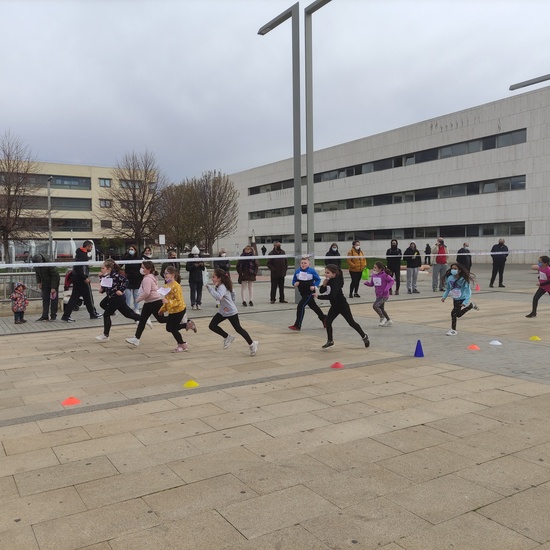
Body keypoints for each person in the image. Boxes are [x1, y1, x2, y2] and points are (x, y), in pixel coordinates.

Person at [205, 268, 258, 356]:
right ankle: (227, 337)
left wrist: (210, 289)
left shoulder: (222, 287)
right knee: (212, 325)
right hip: (223, 311)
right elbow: (232, 294)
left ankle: (252, 344)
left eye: (214, 277)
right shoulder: (221, 285)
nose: (212, 279)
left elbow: (218, 296)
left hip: (231, 312)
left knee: (238, 329)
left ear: (219, 278)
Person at [318, 264, 370, 349]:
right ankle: (330, 341)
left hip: (342, 306)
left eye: (328, 273)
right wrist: (324, 284)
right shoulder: (329, 281)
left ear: (333, 274)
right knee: (328, 321)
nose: (326, 274)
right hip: (335, 306)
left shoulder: (335, 283)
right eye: (325, 272)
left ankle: (364, 336)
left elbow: (332, 296)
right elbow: (322, 290)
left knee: (351, 322)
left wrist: (318, 297)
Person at [95, 259, 141, 342]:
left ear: (108, 269)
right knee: (127, 314)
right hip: (111, 297)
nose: (101, 270)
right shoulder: (105, 277)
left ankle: (106, 335)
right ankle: (141, 319)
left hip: (117, 298)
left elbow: (126, 281)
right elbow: (105, 288)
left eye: (102, 268)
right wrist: (102, 288)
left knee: (106, 314)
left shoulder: (115, 275)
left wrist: (121, 289)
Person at [62, 240, 102, 322]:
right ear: (87, 246)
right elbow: (79, 268)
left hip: (77, 279)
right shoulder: (82, 255)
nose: (91, 249)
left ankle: (66, 315)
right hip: (81, 280)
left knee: (75, 298)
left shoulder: (80, 254)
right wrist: (84, 278)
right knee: (88, 297)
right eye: (90, 247)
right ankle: (92, 313)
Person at [158, 266, 192, 352]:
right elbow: (165, 299)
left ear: (173, 275)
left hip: (179, 310)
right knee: (169, 328)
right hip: (172, 311)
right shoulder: (166, 286)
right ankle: (187, 324)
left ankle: (182, 344)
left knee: (173, 329)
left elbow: (179, 301)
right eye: (164, 273)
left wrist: (168, 302)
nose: (165, 275)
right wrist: (162, 309)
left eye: (166, 273)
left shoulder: (177, 286)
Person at [289, 256, 327, 331]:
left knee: (301, 306)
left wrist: (314, 286)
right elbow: (294, 280)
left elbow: (318, 279)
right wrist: (295, 283)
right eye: (302, 263)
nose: (303, 264)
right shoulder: (297, 271)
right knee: (313, 306)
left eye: (305, 263)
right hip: (302, 292)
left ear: (309, 264)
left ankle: (297, 325)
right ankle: (324, 318)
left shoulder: (311, 271)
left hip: (309, 292)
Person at [441, 262, 479, 335]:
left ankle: (453, 330)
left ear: (459, 270)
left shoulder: (464, 280)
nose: (453, 270)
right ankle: (471, 306)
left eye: (455, 269)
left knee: (453, 313)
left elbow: (468, 292)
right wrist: (444, 297)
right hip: (455, 298)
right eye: (452, 268)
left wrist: (465, 302)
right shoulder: (449, 278)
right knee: (458, 314)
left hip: (462, 298)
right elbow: (448, 289)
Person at [364, 260, 395, 326]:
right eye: (373, 267)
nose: (374, 269)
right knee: (381, 309)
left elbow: (392, 281)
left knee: (375, 306)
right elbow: (372, 284)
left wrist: (387, 288)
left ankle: (382, 318)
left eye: (375, 267)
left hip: (384, 295)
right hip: (378, 295)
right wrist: (367, 284)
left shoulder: (384, 275)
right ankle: (389, 320)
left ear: (380, 269)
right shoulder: (373, 275)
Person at [33, 253, 60, 321]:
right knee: (45, 299)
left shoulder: (49, 264)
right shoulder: (36, 264)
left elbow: (55, 276)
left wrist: (53, 287)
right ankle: (45, 316)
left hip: (53, 283)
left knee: (54, 300)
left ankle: (53, 316)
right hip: (45, 284)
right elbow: (37, 273)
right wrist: (39, 282)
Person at [120, 244, 143, 313]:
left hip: (136, 279)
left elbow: (142, 267)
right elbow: (119, 265)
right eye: (129, 249)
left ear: (135, 250)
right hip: (128, 279)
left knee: (136, 295)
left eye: (132, 249)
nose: (130, 251)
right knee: (128, 295)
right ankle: (127, 309)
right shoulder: (126, 257)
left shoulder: (139, 258)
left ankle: (136, 308)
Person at [186, 246, 205, 310]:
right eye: (195, 254)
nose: (196, 256)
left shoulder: (200, 258)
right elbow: (187, 268)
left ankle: (198, 303)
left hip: (199, 278)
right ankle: (193, 303)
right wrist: (194, 266)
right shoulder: (189, 259)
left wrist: (202, 265)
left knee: (199, 291)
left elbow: (203, 269)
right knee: (193, 291)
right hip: (192, 278)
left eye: (197, 254)